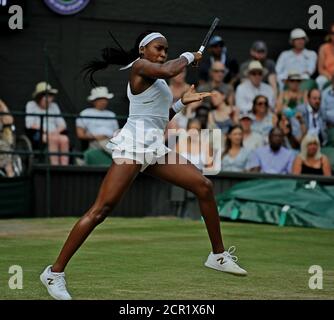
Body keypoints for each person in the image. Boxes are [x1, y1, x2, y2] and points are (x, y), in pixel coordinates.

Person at [40, 31, 247, 300]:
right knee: (100, 210)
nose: (162, 53)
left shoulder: (156, 80)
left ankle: (217, 256)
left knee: (203, 185)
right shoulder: (140, 67)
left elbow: (159, 117)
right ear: (142, 50)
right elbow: (171, 68)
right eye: (158, 49)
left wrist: (181, 103)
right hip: (133, 146)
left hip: (153, 147)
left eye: (165, 50)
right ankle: (54, 273)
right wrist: (189, 56)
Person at [25, 82, 69, 165]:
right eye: (46, 96)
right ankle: (54, 166)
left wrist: (55, 132)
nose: (49, 99)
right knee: (53, 139)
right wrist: (45, 131)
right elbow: (29, 124)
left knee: (64, 139)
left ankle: (64, 166)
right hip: (38, 133)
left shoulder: (54, 106)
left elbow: (62, 124)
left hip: (54, 133)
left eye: (51, 96)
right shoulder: (31, 105)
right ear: (39, 97)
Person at [76, 86, 119, 151]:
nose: (103, 102)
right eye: (100, 99)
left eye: (105, 99)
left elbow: (116, 133)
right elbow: (80, 134)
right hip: (95, 141)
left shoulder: (111, 114)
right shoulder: (85, 113)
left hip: (112, 141)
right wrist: (95, 137)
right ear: (94, 101)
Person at [316, 23, 334, 90]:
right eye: (333, 33)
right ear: (330, 35)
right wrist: (330, 77)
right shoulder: (323, 48)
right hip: (327, 75)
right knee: (320, 81)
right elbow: (320, 69)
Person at [0, 99, 15, 177]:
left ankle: (10, 175)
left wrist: (2, 106)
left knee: (4, 146)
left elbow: (9, 121)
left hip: (2, 139)